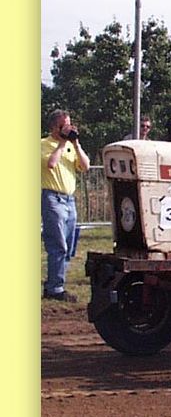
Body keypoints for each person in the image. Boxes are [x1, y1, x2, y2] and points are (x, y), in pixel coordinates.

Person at [41, 109, 90, 302]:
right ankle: (55, 288)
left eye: (70, 124)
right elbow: (51, 164)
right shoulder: (43, 144)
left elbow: (85, 166)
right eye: (64, 125)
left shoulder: (70, 146)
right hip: (53, 198)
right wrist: (62, 143)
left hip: (69, 200)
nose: (68, 128)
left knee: (68, 246)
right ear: (55, 127)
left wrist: (75, 144)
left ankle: (56, 283)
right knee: (58, 244)